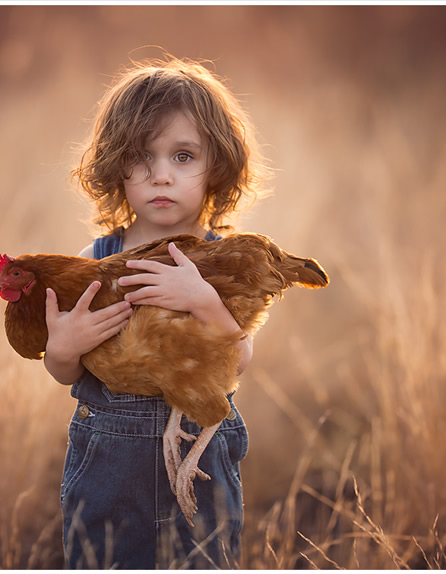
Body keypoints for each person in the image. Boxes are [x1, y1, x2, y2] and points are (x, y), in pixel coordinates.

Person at [43, 57, 268, 569]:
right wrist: (64, 347)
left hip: (199, 449)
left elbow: (237, 361)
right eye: (143, 157)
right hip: (109, 459)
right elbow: (63, 371)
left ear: (218, 168)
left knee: (202, 560)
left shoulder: (217, 262)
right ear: (116, 167)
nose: (161, 175)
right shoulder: (94, 260)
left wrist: (203, 301)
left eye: (184, 156)